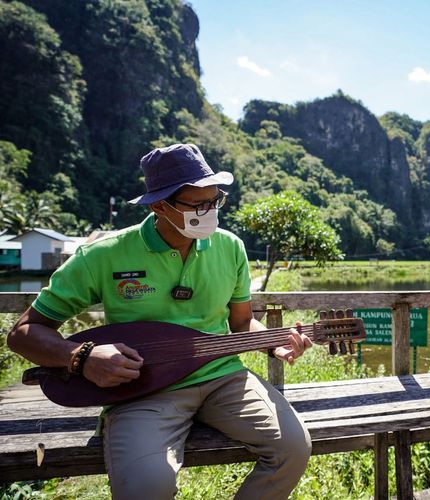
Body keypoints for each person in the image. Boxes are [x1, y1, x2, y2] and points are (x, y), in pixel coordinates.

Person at [8, 143, 313, 499]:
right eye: (198, 204)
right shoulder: (104, 255)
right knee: (147, 487)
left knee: (293, 448)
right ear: (159, 206)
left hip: (223, 378)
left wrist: (273, 341)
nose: (210, 211)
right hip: (144, 390)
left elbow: (242, 323)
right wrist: (83, 356)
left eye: (215, 201)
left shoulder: (230, 248)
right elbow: (23, 334)